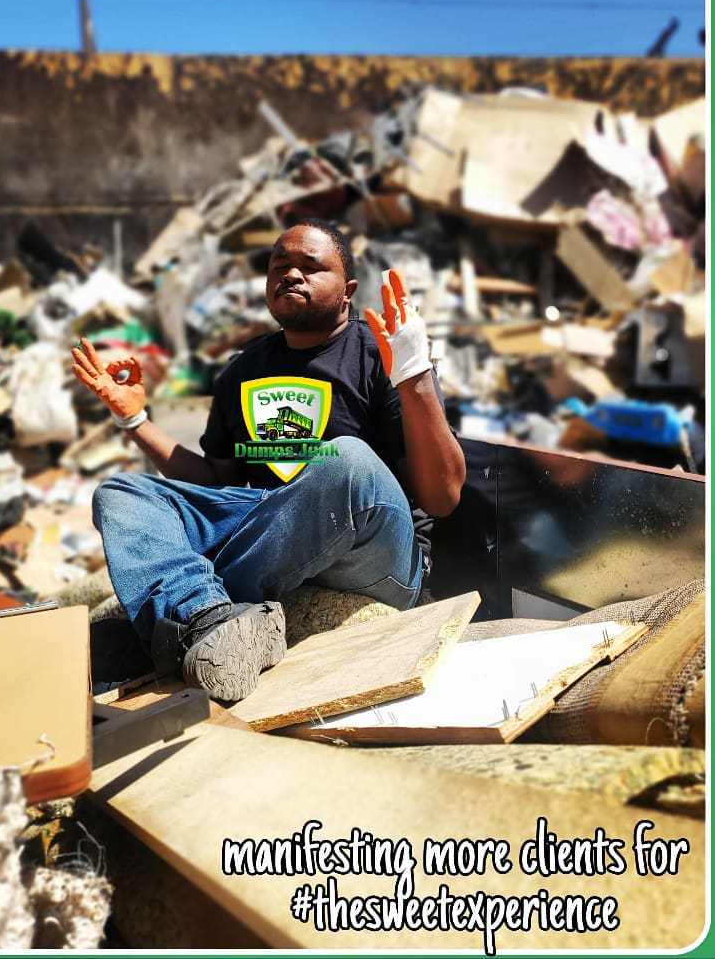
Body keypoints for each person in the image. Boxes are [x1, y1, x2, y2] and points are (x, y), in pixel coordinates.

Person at [72, 220, 466, 701]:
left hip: (373, 552)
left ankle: (164, 624)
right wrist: (135, 420)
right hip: (272, 526)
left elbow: (443, 498)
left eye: (311, 266)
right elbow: (217, 482)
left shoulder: (379, 354)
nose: (292, 275)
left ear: (348, 291)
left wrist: (414, 375)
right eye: (280, 266)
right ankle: (203, 619)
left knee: (346, 461)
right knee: (122, 491)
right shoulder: (242, 370)